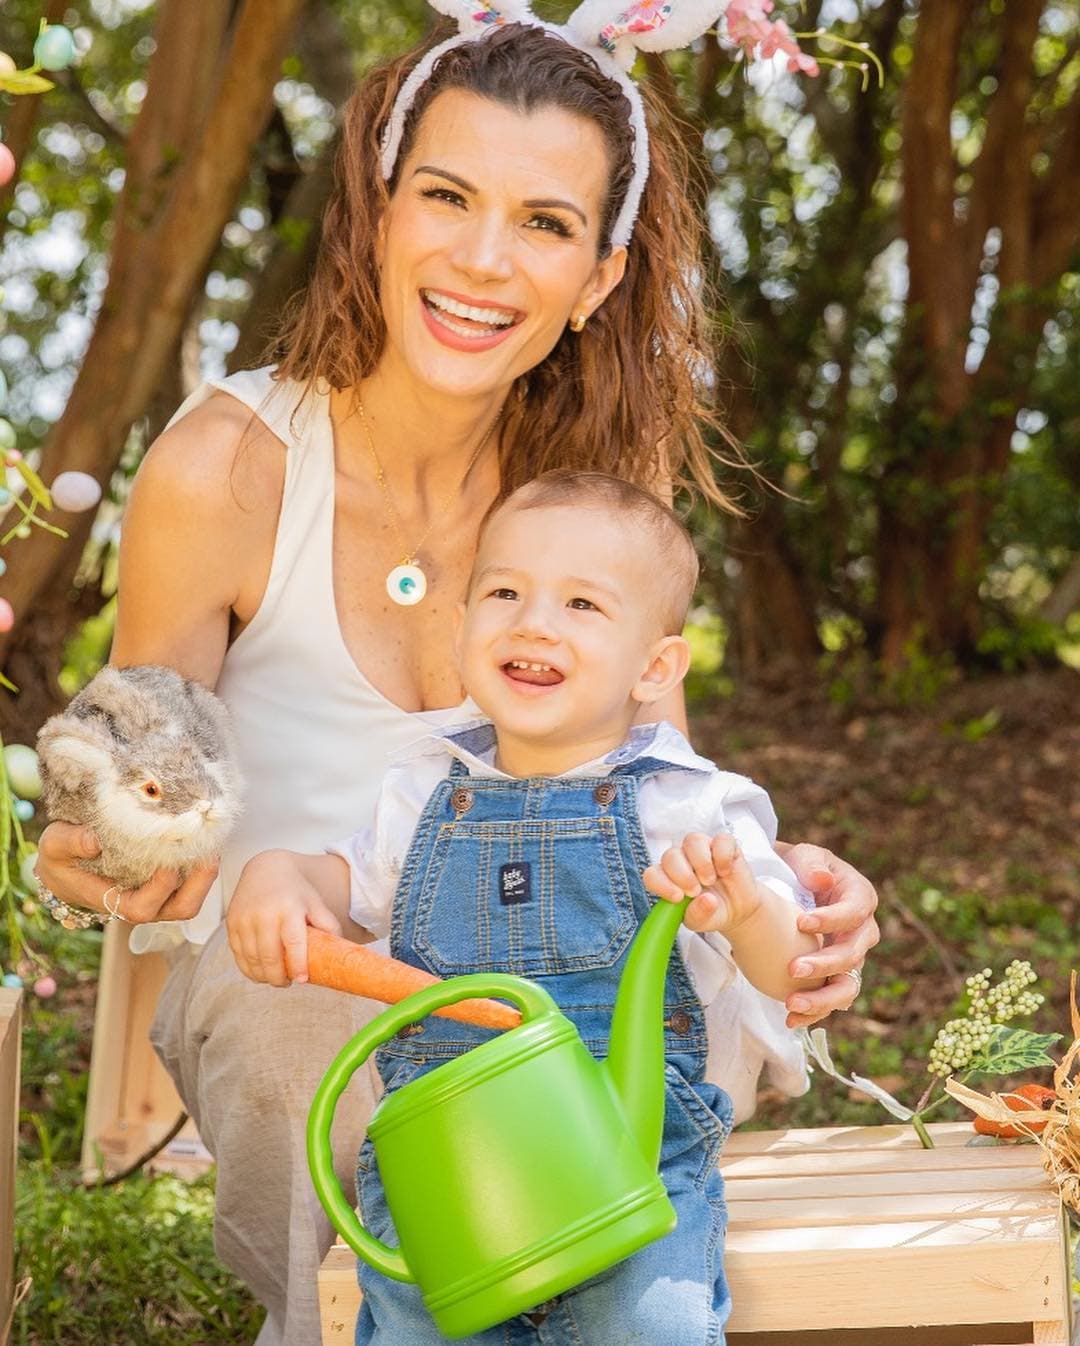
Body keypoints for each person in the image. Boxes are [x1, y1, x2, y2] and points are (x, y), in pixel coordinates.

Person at [33, 11, 879, 1344]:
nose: (482, 259)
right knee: (302, 1036)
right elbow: (136, 760)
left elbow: (651, 781)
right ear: (376, 207)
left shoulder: (597, 497)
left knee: (648, 1030)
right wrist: (99, 819)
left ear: (597, 278)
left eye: (544, 223)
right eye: (446, 195)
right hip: (307, 986)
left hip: (555, 998)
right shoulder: (230, 467)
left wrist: (779, 883)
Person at [230, 470, 826, 1344]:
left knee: (649, 1325)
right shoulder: (424, 789)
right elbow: (343, 889)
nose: (534, 622)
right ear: (465, 622)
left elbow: (786, 972)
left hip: (628, 1158)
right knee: (420, 1330)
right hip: (451, 1161)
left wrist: (742, 911)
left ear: (655, 666)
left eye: (583, 605)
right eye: (504, 591)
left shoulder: (688, 806)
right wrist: (279, 874)